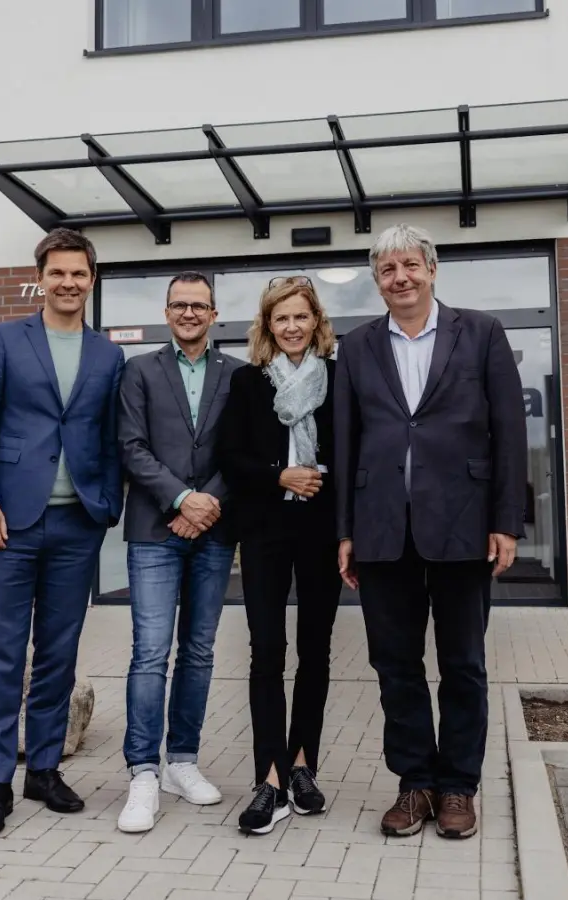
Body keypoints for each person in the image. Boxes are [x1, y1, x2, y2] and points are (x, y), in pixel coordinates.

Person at [334, 224, 526, 840]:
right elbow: (345, 442)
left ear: (433, 270)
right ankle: (414, 783)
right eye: (388, 270)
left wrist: (506, 520)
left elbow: (509, 435)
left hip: (464, 523)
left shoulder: (482, 332)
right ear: (377, 280)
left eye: (411, 265)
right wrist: (345, 530)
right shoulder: (357, 346)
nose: (401, 278)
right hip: (382, 526)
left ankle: (458, 787)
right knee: (395, 664)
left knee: (463, 662)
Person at [0, 227, 125, 838]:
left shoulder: (108, 355)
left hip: (76, 524)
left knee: (58, 654)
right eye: (58, 273)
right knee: (2, 654)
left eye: (79, 273)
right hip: (8, 523)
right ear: (42, 277)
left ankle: (45, 768)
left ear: (92, 279)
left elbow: (109, 438)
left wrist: (106, 505)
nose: (69, 283)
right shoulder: (3, 340)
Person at [114, 272, 243, 833]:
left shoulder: (238, 375)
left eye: (200, 306)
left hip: (213, 531)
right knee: (149, 652)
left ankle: (182, 762)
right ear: (166, 312)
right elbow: (130, 446)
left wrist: (207, 503)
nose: (190, 313)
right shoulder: (139, 370)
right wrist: (183, 498)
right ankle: (143, 770)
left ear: (215, 314)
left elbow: (243, 451)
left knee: (198, 652)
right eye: (180, 305)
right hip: (154, 530)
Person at [217, 275, 343, 835]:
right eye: (280, 318)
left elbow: (352, 450)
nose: (291, 327)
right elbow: (232, 458)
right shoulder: (249, 383)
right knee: (266, 652)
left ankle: (302, 767)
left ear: (316, 321)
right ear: (267, 326)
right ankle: (268, 777)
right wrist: (280, 476)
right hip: (265, 531)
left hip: (320, 531)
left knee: (315, 653)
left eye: (301, 317)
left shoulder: (339, 379)